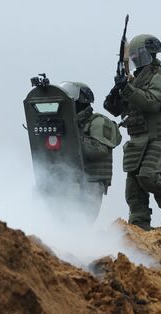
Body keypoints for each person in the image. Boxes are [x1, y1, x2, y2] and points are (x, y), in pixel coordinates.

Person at [104, 34, 161, 231]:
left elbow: (151, 103)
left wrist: (128, 89)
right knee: (133, 186)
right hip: (139, 139)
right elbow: (113, 109)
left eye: (139, 56)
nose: (135, 60)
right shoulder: (133, 81)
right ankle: (139, 226)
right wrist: (118, 90)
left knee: (149, 176)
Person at [61, 81, 121, 214]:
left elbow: (98, 150)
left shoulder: (98, 122)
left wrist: (72, 139)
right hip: (69, 179)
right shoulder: (71, 124)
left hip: (91, 180)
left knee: (83, 218)